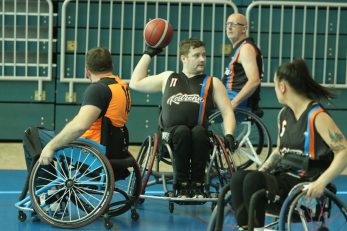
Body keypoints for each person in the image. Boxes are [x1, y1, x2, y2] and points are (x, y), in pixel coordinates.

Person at [230, 59, 347, 230]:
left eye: (276, 85)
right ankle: (246, 227)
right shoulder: (284, 114)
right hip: (284, 179)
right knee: (239, 177)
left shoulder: (317, 115)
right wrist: (262, 170)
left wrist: (321, 182)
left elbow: (343, 151)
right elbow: (280, 151)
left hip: (305, 183)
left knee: (253, 180)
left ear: (282, 86)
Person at [129, 38, 237, 198]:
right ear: (183, 58)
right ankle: (181, 183)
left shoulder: (212, 82)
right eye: (196, 55)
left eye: (204, 55)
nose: (202, 59)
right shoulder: (168, 78)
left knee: (199, 132)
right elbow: (135, 83)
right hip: (169, 138)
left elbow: (228, 112)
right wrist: (148, 54)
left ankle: (199, 183)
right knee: (182, 132)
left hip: (199, 138)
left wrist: (229, 134)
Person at [24, 47, 131, 168]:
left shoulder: (99, 89)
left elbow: (80, 126)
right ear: (111, 66)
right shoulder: (121, 85)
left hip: (93, 149)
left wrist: (50, 146)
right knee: (62, 134)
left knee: (32, 135)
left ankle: (43, 184)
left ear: (87, 71)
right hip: (115, 148)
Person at [223, 13, 263, 113]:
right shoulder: (239, 48)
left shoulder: (246, 48)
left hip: (234, 98)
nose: (229, 27)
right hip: (226, 96)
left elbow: (254, 81)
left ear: (244, 29)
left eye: (234, 24)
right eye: (227, 24)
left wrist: (234, 103)